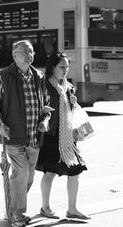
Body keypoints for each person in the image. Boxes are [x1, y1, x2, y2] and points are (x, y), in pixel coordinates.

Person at [0, 39, 52, 227]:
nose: (29, 54)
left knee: (28, 176)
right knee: (20, 173)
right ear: (14, 56)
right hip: (13, 136)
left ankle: (13, 208)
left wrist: (45, 121)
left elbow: (46, 106)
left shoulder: (39, 77)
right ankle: (17, 214)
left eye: (31, 51)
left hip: (34, 137)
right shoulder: (4, 76)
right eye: (24, 51)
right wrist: (0, 124)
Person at [36, 52, 89, 220]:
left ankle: (72, 209)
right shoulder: (44, 86)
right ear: (53, 67)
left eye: (67, 66)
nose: (66, 70)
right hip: (51, 136)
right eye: (62, 67)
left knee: (75, 171)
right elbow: (37, 108)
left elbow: (71, 112)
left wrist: (73, 104)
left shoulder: (69, 87)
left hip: (67, 138)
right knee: (49, 173)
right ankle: (45, 207)